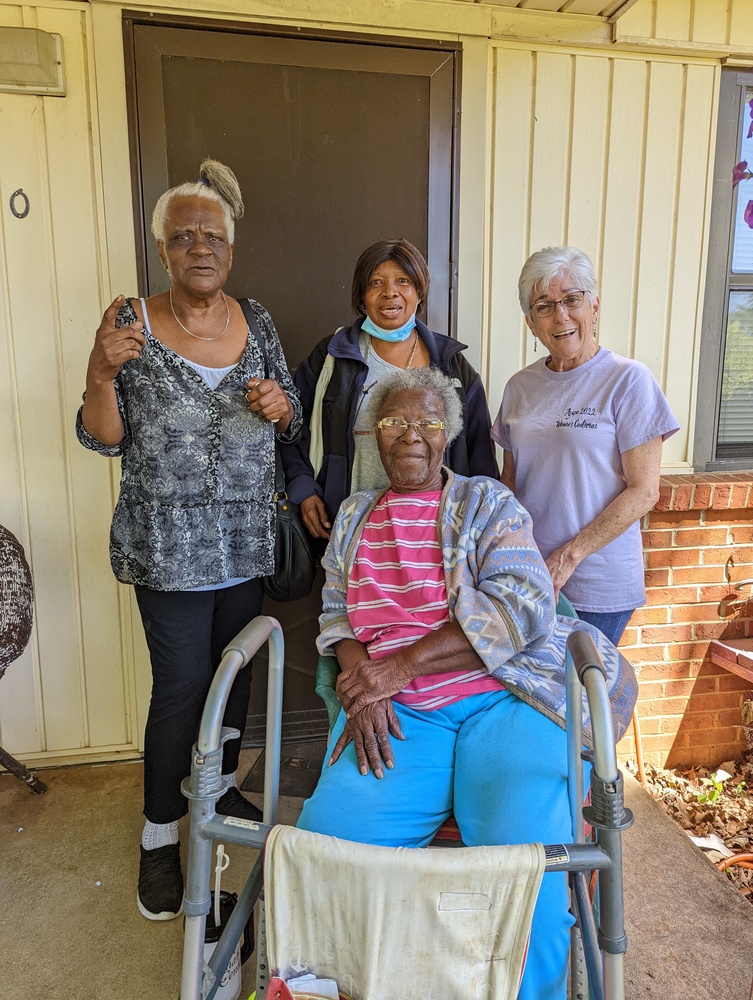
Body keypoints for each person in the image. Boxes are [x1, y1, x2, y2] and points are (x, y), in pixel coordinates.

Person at [297, 368, 638, 1000]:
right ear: (374, 433)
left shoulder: (487, 502)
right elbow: (337, 612)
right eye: (395, 422)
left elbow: (525, 602)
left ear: (449, 434)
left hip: (501, 700)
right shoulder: (351, 516)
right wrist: (361, 679)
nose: (411, 437)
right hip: (400, 714)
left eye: (428, 423)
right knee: (321, 852)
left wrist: (398, 666)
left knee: (523, 874)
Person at [76, 160, 302, 921]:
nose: (198, 247)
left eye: (212, 236)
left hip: (241, 540)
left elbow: (289, 409)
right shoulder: (128, 318)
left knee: (233, 674)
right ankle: (157, 835)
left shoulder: (258, 319)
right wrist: (99, 374)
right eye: (183, 237)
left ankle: (219, 783)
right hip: (167, 548)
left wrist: (280, 404)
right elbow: (103, 438)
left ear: (229, 250)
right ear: (164, 251)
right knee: (178, 689)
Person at [492, 246, 680, 646]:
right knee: (536, 700)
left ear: (594, 306)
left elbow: (644, 491)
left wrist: (568, 556)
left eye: (572, 300)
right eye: (544, 306)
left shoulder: (629, 381)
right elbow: (510, 482)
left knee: (584, 698)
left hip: (596, 581)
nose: (561, 316)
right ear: (530, 322)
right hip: (529, 575)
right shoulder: (519, 387)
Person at [281, 238, 498, 541]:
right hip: (349, 530)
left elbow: (481, 461)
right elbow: (290, 428)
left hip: (433, 537)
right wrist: (303, 488)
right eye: (376, 282)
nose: (390, 292)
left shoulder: (452, 368)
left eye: (403, 281)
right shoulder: (333, 357)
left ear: (419, 291)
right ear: (362, 295)